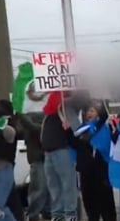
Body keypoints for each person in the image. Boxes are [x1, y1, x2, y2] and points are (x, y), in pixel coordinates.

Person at [70, 101, 117, 221]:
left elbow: (111, 144)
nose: (89, 113)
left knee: (106, 203)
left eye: (92, 111)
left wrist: (113, 127)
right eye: (87, 111)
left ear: (98, 113)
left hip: (101, 171)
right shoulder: (81, 129)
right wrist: (67, 131)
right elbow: (75, 145)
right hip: (86, 171)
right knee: (90, 203)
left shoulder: (104, 127)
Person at [41, 91, 79, 221]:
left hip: (62, 150)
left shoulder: (65, 109)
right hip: (49, 152)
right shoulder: (48, 114)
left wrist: (69, 128)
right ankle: (57, 214)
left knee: (67, 184)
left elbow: (76, 130)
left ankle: (70, 213)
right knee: (53, 186)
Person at [16, 108, 51, 221]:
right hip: (37, 158)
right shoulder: (28, 121)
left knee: (48, 187)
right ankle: (33, 214)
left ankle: (47, 212)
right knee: (39, 187)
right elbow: (34, 128)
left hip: (49, 157)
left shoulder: (49, 117)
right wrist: (18, 111)